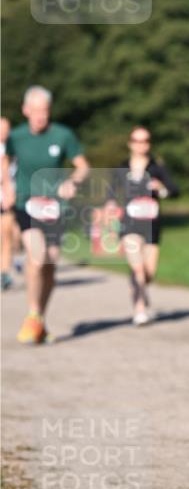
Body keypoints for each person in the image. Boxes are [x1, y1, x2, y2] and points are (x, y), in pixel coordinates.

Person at [1, 87, 89, 344]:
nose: (41, 116)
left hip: (54, 206)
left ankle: (39, 319)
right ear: (26, 110)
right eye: (36, 111)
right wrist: (6, 187)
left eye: (45, 111)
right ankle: (32, 313)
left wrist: (72, 182)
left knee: (50, 263)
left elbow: (83, 167)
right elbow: (4, 161)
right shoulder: (16, 137)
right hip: (25, 203)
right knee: (36, 255)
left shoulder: (63, 135)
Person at [106, 127, 179, 326]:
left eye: (145, 140)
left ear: (149, 143)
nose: (141, 144)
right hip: (129, 225)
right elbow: (110, 196)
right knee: (138, 269)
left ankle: (139, 287)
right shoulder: (122, 168)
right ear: (130, 143)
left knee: (148, 273)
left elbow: (175, 190)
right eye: (137, 140)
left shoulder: (157, 167)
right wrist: (110, 215)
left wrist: (161, 189)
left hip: (152, 225)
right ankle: (140, 311)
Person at [1, 117, 20, 290]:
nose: (4, 133)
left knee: (6, 235)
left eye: (7, 129)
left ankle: (4, 273)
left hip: (7, 198)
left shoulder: (14, 149)